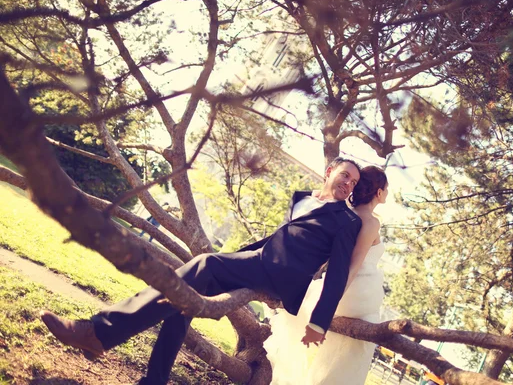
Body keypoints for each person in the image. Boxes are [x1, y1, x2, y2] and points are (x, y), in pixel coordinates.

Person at [40, 157, 362, 385]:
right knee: (183, 302)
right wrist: (238, 255)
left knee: (204, 264)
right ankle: (154, 380)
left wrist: (319, 322)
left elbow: (337, 274)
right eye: (345, 175)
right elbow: (279, 239)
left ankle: (98, 332)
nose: (349, 184)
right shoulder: (303, 198)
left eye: (355, 182)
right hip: (260, 262)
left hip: (281, 279)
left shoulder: (347, 222)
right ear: (330, 170)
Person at [264, 166, 388, 385]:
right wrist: (332, 304)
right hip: (356, 292)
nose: (387, 193)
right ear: (379, 192)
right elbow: (353, 267)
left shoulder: (344, 213)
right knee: (359, 349)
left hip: (332, 285)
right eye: (387, 189)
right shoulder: (371, 222)